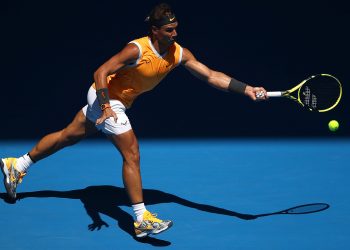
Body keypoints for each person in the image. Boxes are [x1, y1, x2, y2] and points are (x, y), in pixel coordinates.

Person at [1, 3, 267, 238]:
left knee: (68, 135)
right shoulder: (136, 49)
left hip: (118, 101)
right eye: (169, 30)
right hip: (106, 99)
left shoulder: (179, 53)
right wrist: (105, 107)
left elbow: (210, 75)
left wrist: (247, 89)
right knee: (132, 153)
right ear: (155, 29)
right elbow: (101, 72)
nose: (175, 34)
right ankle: (141, 220)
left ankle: (18, 164)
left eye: (176, 29)